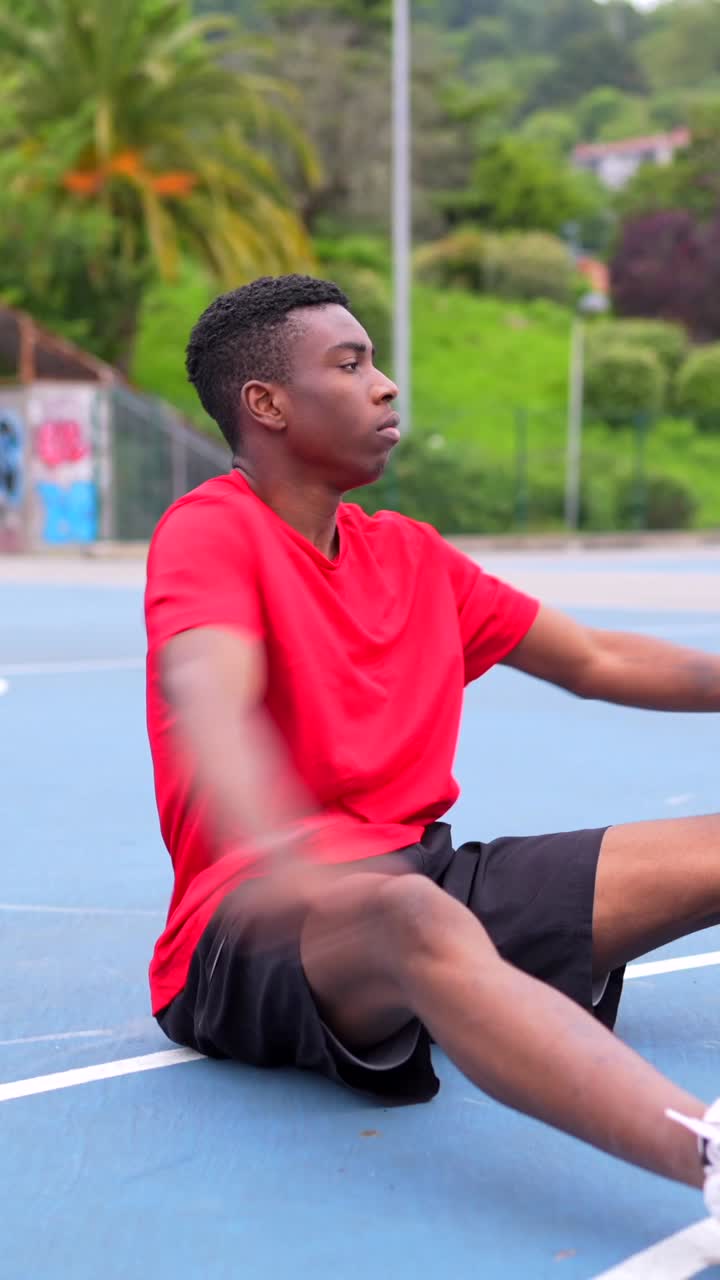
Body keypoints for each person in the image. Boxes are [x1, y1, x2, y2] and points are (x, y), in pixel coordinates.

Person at [144, 274, 720, 1214]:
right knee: (412, 917)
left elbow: (596, 658)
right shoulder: (211, 531)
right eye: (350, 364)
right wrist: (282, 854)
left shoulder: (407, 553)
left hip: (419, 877)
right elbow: (211, 698)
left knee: (432, 902)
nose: (386, 384)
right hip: (253, 922)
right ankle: (707, 1156)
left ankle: (463, 987)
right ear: (267, 404)